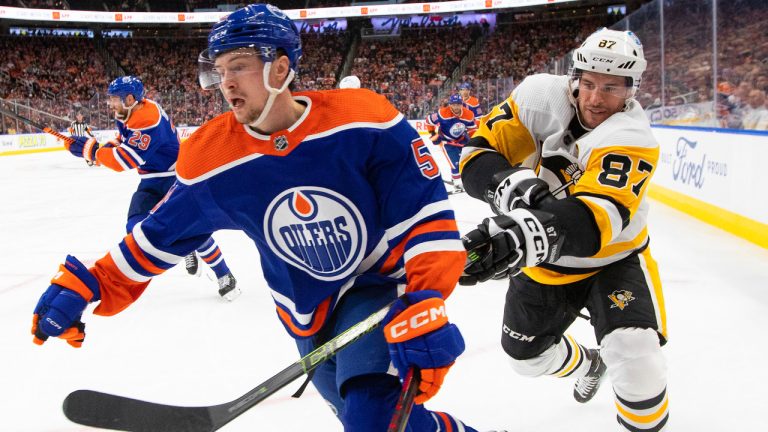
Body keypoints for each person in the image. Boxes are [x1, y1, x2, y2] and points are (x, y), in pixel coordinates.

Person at [32, 4, 488, 431]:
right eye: (219, 69)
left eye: (239, 66)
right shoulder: (212, 157)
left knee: (372, 417)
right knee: (384, 421)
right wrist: (92, 283)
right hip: (305, 313)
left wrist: (426, 296)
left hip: (379, 290)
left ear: (281, 68)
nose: (226, 81)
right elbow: (157, 237)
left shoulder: (364, 121)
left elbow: (425, 213)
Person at [459, 28, 669, 431]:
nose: (594, 98)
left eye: (611, 88)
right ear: (574, 76)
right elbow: (476, 154)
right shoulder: (538, 96)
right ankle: (589, 362)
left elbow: (594, 220)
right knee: (527, 360)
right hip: (546, 264)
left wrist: (521, 234)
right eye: (588, 83)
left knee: (637, 359)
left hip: (613, 260)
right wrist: (512, 187)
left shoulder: (632, 135)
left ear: (632, 89)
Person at [62, 75, 239, 300]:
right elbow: (122, 140)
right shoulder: (130, 112)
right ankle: (184, 245)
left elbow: (125, 160)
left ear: (129, 98)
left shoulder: (147, 118)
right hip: (152, 180)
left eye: (114, 99)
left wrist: (92, 151)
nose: (111, 104)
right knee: (135, 228)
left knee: (195, 231)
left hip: (176, 178)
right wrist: (97, 148)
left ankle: (224, 274)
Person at [425, 93, 476, 193]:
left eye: (458, 104)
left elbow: (472, 129)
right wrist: (432, 133)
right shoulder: (442, 113)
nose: (456, 107)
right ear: (450, 104)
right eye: (453, 104)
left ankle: (464, 179)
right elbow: (428, 121)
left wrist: (473, 139)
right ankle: (457, 183)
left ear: (462, 104)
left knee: (467, 160)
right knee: (455, 162)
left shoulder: (469, 115)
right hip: (446, 141)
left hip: (462, 139)